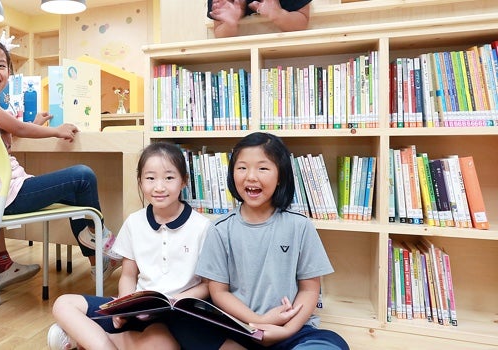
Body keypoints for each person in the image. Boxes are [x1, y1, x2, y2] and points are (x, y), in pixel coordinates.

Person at [0, 37, 121, 289]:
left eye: (1, 66)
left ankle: (97, 258)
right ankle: (101, 246)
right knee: (82, 177)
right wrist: (56, 131)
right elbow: (16, 127)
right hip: (7, 193)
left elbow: (11, 130)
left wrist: (36, 123)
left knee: (76, 192)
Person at [48, 142, 216, 350]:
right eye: (150, 178)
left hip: (176, 315)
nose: (159, 187)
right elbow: (128, 275)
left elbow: (208, 285)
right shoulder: (134, 222)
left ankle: (84, 339)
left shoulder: (202, 227)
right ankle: (104, 344)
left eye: (169, 178)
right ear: (140, 181)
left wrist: (175, 301)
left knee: (160, 345)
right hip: (137, 308)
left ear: (184, 181)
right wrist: (123, 307)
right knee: (63, 304)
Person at [194, 132, 349, 349]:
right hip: (241, 327)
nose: (251, 176)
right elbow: (218, 292)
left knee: (332, 344)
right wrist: (259, 322)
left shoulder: (299, 226)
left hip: (291, 328)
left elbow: (309, 289)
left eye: (263, 168)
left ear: (280, 178)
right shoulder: (220, 229)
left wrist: (286, 329)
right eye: (242, 168)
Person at [209, 0, 312, 38]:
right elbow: (218, 32)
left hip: (283, 44)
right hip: (243, 51)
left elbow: (303, 21)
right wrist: (230, 24)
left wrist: (278, 15)